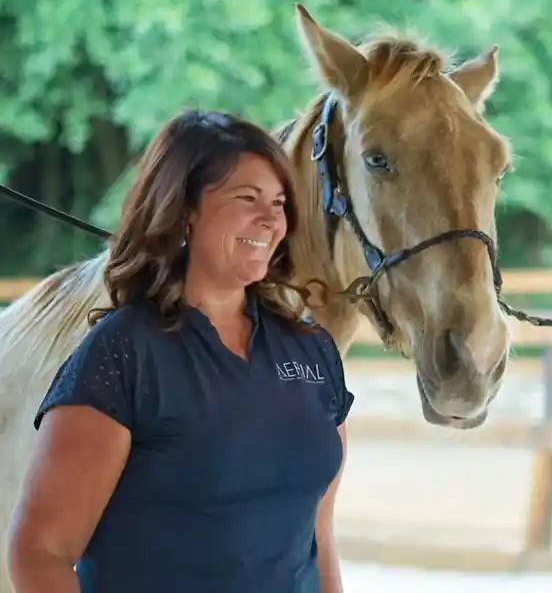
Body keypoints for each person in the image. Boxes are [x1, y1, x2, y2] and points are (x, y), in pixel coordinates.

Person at [7, 110, 354, 593]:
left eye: (278, 201)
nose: (272, 219)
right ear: (184, 208)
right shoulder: (123, 353)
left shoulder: (313, 351)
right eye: (246, 198)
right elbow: (40, 552)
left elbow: (317, 536)